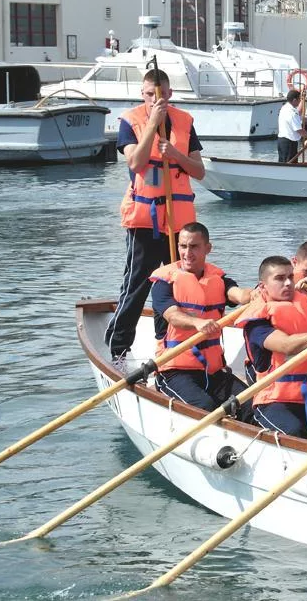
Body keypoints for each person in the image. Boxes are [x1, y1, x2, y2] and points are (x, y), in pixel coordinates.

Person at [104, 69, 204, 361]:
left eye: (159, 94)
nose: (154, 99)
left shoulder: (185, 122)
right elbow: (135, 162)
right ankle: (118, 349)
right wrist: (153, 125)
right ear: (142, 94)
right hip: (145, 221)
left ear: (170, 93)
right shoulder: (131, 121)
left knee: (173, 285)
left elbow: (198, 171)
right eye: (149, 94)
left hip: (179, 222)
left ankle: (166, 347)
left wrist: (175, 154)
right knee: (137, 285)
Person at [237, 255, 307, 440]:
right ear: (263, 285)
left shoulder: (305, 301)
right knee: (296, 435)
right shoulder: (257, 322)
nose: (288, 283)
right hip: (274, 401)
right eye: (280, 278)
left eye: (290, 277)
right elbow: (286, 345)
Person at [149, 222, 253, 419]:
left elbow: (239, 295)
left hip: (213, 372)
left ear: (208, 248)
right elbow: (173, 316)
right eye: (183, 246)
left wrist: (254, 294)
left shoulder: (219, 280)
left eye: (194, 246)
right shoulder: (164, 284)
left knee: (251, 404)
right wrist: (197, 323)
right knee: (206, 407)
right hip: (174, 372)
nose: (187, 253)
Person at [277, 89, 307, 164]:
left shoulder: (285, 107)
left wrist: (303, 98)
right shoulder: (291, 113)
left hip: (282, 141)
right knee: (288, 165)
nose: (300, 101)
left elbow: (298, 112)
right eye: (299, 99)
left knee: (284, 163)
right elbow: (300, 131)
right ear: (294, 100)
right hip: (289, 143)